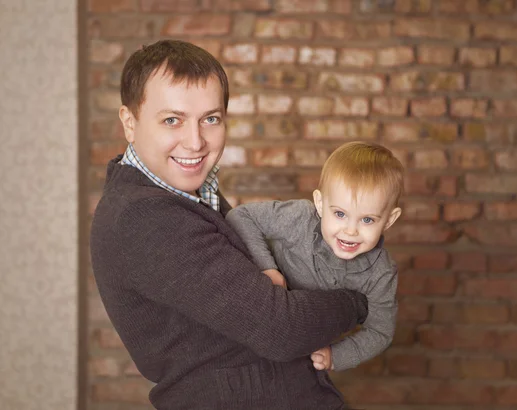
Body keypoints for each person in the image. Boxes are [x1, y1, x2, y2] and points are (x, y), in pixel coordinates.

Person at [89, 39, 369, 410]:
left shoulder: (183, 193)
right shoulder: (147, 218)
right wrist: (361, 298)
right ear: (129, 121)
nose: (195, 142)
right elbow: (279, 329)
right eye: (172, 119)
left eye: (211, 119)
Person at [226, 142, 403, 372]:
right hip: (253, 316)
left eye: (367, 220)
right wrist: (267, 268)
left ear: (389, 220)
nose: (350, 231)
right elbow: (241, 216)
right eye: (340, 214)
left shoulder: (381, 273)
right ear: (320, 204)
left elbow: (380, 331)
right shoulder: (301, 218)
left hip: (299, 342)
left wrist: (336, 356)